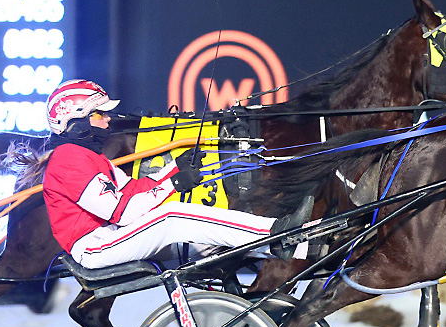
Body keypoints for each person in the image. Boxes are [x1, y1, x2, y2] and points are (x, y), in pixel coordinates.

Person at [41, 79, 304, 269]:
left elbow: (134, 189)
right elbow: (124, 213)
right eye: (99, 114)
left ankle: (301, 245)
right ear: (74, 120)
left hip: (109, 236)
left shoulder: (91, 157)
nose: (108, 120)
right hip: (95, 247)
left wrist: (175, 168)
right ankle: (275, 234)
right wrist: (173, 184)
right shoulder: (67, 160)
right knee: (173, 215)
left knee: (205, 241)